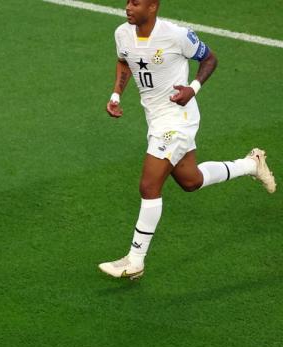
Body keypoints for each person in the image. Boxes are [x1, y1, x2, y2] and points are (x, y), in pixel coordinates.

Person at [100, 0, 275, 279]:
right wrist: (116, 94)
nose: (128, 6)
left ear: (153, 6)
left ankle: (135, 260)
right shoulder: (122, 33)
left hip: (178, 119)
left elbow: (210, 58)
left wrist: (192, 89)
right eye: (127, 1)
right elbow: (125, 60)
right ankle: (252, 164)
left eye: (135, 2)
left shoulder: (175, 35)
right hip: (155, 119)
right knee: (190, 181)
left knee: (149, 185)